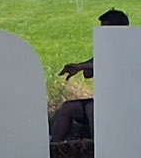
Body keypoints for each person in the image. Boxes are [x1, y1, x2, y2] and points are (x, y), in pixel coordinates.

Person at [50, 9, 131, 141]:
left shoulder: (128, 48)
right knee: (68, 108)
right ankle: (53, 149)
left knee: (92, 109)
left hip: (124, 104)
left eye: (104, 30)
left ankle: (98, 148)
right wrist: (84, 66)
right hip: (106, 101)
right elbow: (89, 73)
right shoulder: (106, 48)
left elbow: (108, 63)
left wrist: (80, 66)